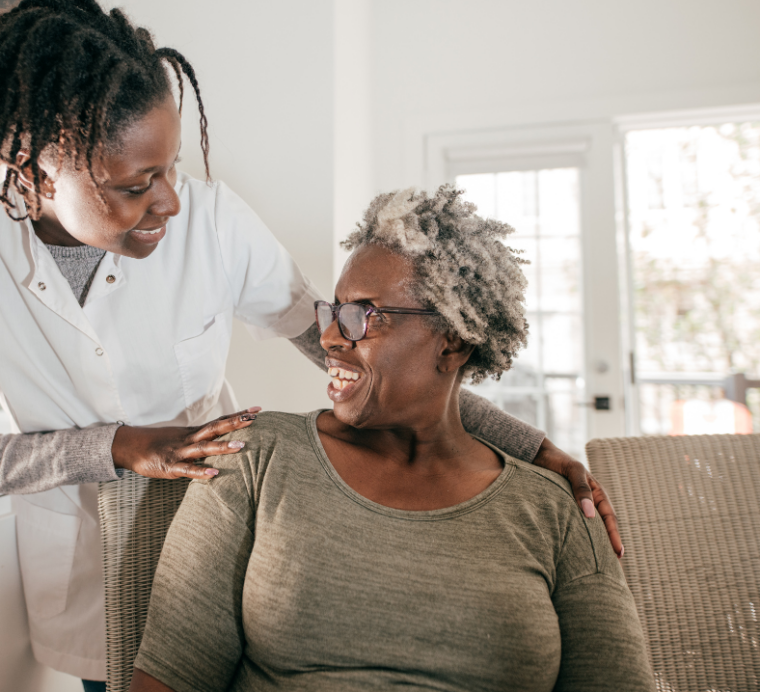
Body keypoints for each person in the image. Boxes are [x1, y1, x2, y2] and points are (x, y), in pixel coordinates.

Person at [0, 0, 620, 691]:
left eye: (172, 168)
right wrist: (114, 446)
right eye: (138, 184)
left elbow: (359, 352)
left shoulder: (212, 225)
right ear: (37, 172)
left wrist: (531, 447)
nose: (170, 200)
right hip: (81, 562)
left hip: (218, 544)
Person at [130, 185, 654, 692]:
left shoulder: (557, 510)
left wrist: (536, 450)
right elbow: (169, 678)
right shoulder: (253, 457)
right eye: (332, 311)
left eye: (362, 316)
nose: (328, 338)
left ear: (452, 342)